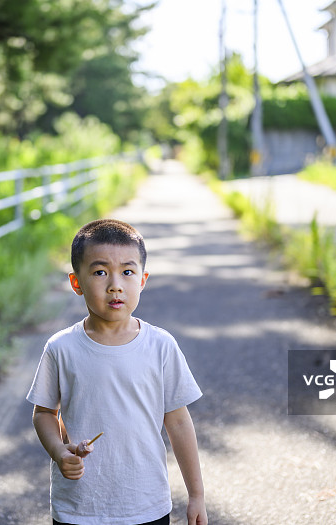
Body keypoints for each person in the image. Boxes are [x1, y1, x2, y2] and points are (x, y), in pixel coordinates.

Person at [27, 219, 208, 525]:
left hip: (145, 504)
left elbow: (178, 422)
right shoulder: (61, 348)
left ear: (142, 280)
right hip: (78, 507)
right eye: (100, 272)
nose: (115, 285)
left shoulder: (160, 346)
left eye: (127, 272)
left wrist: (196, 495)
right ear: (76, 283)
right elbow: (44, 412)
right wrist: (59, 451)